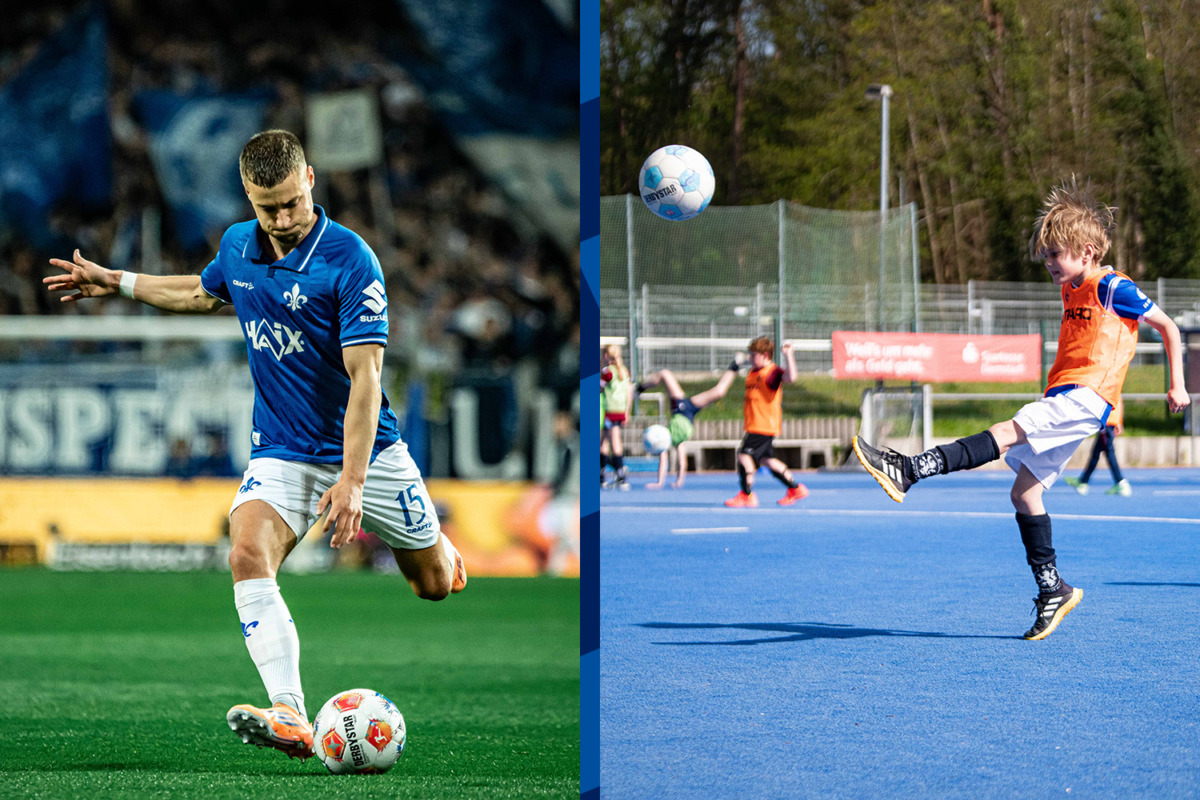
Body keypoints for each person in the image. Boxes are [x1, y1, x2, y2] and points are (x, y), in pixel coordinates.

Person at [44, 130, 467, 760]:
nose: (285, 218)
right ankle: (291, 712)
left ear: (311, 181)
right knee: (246, 553)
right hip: (282, 451)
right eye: (270, 207)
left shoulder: (351, 260)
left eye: (293, 202)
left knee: (434, 584)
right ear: (249, 196)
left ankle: (439, 545)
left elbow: (366, 378)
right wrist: (120, 281)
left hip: (368, 455)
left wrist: (352, 482)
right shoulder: (238, 247)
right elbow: (198, 291)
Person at [852, 177, 1189, 640]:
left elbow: (1168, 326)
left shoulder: (1111, 286)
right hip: (1066, 397)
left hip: (1088, 395)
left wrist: (1178, 386)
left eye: (1056, 253)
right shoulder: (1071, 288)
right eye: (1046, 254)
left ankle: (909, 469)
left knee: (1007, 430)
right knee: (1025, 495)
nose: (1048, 262)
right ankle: (1054, 590)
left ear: (1088, 252)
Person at [724, 337, 809, 507]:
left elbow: (791, 377)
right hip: (754, 424)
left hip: (763, 425)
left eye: (753, 354)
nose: (750, 357)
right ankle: (795, 488)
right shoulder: (753, 372)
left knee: (743, 455)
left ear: (765, 355)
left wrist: (789, 354)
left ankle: (746, 494)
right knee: (765, 460)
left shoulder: (772, 372)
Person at [635, 357, 741, 489]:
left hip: (679, 408)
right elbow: (682, 462)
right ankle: (735, 365)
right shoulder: (673, 442)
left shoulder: (662, 439)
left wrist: (660, 482)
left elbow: (669, 462)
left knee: (665, 373)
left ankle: (638, 388)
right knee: (719, 392)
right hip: (689, 411)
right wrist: (676, 481)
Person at [1064, 398, 1131, 496]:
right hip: (1108, 422)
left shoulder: (1107, 385)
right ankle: (1084, 481)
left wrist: (1118, 422)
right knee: (1097, 453)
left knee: (1108, 452)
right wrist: (1119, 422)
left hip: (1107, 422)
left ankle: (1121, 482)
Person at [600, 344, 633, 489]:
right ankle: (616, 473)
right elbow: (629, 391)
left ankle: (612, 475)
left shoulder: (608, 372)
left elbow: (599, 387)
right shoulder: (625, 371)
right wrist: (627, 411)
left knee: (605, 441)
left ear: (606, 356)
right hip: (620, 409)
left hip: (609, 410)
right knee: (613, 439)